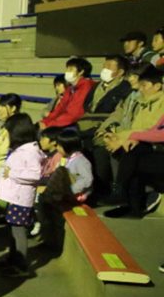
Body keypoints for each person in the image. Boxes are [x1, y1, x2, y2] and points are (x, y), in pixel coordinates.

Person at [103, 65, 164, 218]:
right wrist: (125, 137)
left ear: (157, 86)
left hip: (157, 151)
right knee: (133, 153)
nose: (140, 89)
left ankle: (121, 194)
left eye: (144, 85)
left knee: (133, 155)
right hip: (150, 149)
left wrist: (132, 137)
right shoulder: (143, 103)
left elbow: (160, 135)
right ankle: (131, 206)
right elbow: (154, 130)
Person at [0, 114, 44, 278]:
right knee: (11, 230)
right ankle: (11, 259)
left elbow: (34, 175)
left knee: (18, 232)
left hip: (20, 199)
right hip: (12, 197)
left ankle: (21, 265)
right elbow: (4, 170)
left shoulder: (31, 152)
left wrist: (12, 173)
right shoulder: (18, 150)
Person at [80, 55, 132, 130]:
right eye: (104, 67)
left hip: (106, 125)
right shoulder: (96, 86)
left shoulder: (125, 89)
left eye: (109, 67)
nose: (104, 70)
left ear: (120, 72)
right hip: (87, 122)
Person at [40, 57, 95, 128]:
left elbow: (73, 115)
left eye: (71, 69)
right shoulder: (71, 88)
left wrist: (49, 125)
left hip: (78, 125)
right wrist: (45, 121)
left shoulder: (86, 87)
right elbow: (60, 109)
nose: (67, 72)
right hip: (66, 122)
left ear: (81, 72)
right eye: (67, 69)